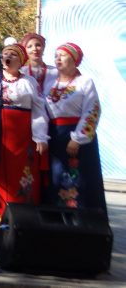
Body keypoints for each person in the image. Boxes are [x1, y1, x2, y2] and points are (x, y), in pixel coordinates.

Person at [0, 43, 48, 232]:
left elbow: (39, 110)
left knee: (19, 177)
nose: (8, 57)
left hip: (21, 139)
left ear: (21, 61)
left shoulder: (29, 82)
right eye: (5, 54)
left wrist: (40, 136)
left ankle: (19, 226)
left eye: (13, 55)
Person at [43, 42, 106, 213]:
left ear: (74, 59)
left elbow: (92, 111)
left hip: (76, 137)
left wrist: (78, 139)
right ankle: (58, 222)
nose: (58, 59)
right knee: (56, 178)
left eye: (62, 55)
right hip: (55, 136)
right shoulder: (50, 85)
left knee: (79, 180)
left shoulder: (84, 82)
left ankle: (83, 223)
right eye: (56, 56)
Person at [20, 32, 55, 97]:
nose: (34, 49)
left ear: (43, 48)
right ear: (25, 51)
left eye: (38, 45)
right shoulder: (21, 72)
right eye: (30, 46)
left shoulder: (55, 71)